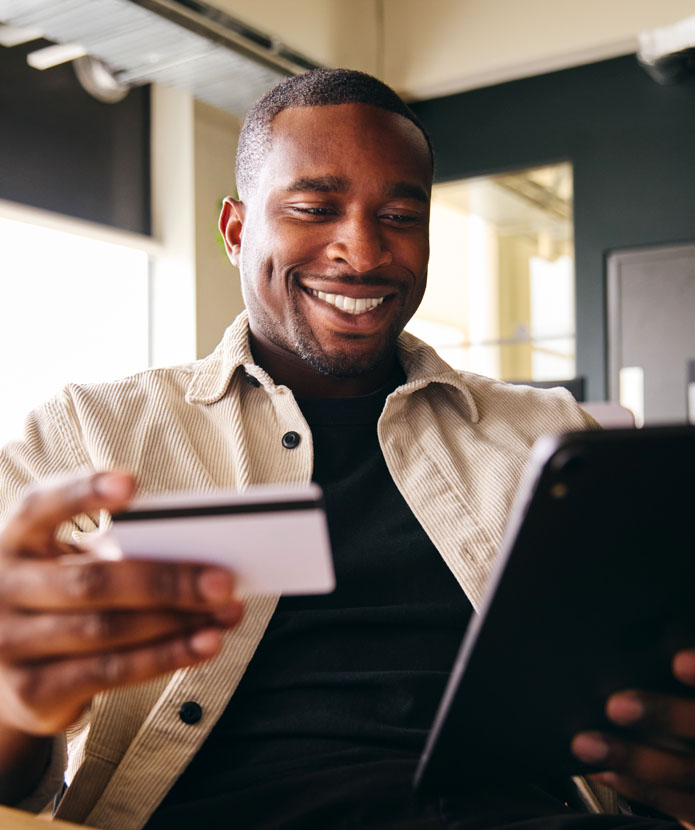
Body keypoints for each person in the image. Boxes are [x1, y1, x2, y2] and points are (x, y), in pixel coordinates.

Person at [0, 69, 692, 830]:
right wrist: (16, 705)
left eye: (400, 214)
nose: (362, 252)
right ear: (235, 230)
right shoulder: (87, 436)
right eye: (311, 209)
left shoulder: (547, 437)